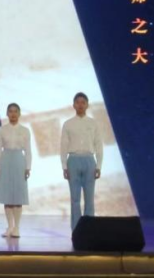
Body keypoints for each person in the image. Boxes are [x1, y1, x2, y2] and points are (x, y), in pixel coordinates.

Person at [60, 92, 104, 230]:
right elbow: (63, 146)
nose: (80, 105)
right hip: (73, 160)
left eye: (83, 102)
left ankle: (89, 229)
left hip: (89, 160)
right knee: (75, 198)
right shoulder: (68, 124)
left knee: (89, 198)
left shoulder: (93, 123)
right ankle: (76, 229)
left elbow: (98, 145)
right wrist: (64, 166)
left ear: (87, 105)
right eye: (77, 102)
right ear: (73, 105)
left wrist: (99, 165)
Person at [0, 103, 31, 238]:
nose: (13, 114)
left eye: (15, 111)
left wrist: (28, 167)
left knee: (18, 196)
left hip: (19, 161)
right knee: (7, 196)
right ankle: (9, 227)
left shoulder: (25, 130)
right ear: (7, 114)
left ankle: (17, 228)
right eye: (10, 111)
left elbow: (28, 150)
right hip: (5, 161)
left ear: (19, 114)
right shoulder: (1, 130)